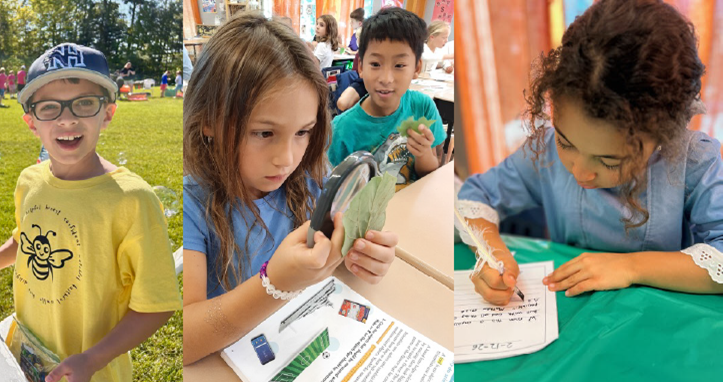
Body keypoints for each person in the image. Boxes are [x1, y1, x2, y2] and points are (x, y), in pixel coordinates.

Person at [460, 0, 723, 304]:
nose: (581, 172)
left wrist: (631, 267)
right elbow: (475, 198)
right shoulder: (544, 150)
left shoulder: (696, 162)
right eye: (567, 143)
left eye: (610, 160)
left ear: (664, 134)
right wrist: (492, 254)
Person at [178, 13, 400, 365]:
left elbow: (335, 259)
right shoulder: (193, 200)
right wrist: (274, 284)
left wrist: (360, 255)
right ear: (209, 122)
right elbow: (185, 340)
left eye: (303, 132)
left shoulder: (311, 174)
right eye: (264, 133)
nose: (287, 158)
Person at [0, 43, 180, 382]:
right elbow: (26, 239)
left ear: (107, 113)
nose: (67, 118)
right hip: (27, 353)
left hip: (90, 371)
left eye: (84, 103)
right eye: (49, 108)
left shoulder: (132, 200)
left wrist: (92, 359)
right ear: (31, 123)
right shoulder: (29, 180)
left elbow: (158, 305)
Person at [328, 7, 445, 180]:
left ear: (416, 68)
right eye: (375, 64)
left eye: (399, 65)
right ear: (360, 67)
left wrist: (423, 153)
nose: (386, 79)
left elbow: (430, 175)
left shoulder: (422, 107)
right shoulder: (341, 130)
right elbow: (333, 193)